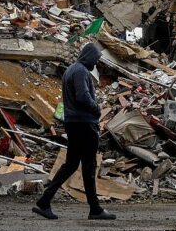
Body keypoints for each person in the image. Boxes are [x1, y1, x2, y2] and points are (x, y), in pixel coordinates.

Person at [32, 42, 116, 220]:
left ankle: (44, 201)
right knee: (88, 166)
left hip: (73, 123)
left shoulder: (71, 69)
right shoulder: (80, 71)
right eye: (95, 59)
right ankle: (95, 209)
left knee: (71, 164)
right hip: (84, 124)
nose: (96, 63)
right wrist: (96, 109)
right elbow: (83, 96)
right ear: (89, 57)